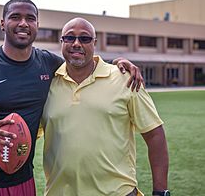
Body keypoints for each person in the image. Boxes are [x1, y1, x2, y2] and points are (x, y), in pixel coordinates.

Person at [0, 0, 143, 196]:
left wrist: (117, 64)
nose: (23, 23)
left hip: (22, 180)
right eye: (15, 17)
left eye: (30, 18)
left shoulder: (49, 64)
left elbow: (82, 60)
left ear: (37, 25)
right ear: (3, 24)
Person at [41, 17, 169, 196]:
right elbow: (27, 134)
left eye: (84, 39)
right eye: (69, 38)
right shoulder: (47, 85)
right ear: (61, 42)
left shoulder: (125, 78)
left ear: (94, 43)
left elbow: (155, 135)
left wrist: (161, 191)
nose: (76, 43)